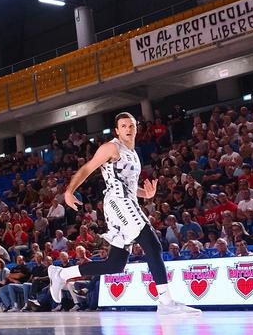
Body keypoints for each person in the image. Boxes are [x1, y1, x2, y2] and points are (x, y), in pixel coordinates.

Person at [50, 112, 199, 315]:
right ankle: (165, 302)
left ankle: (61, 274)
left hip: (128, 200)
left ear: (136, 128)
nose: (128, 129)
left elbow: (127, 184)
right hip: (117, 202)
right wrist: (69, 191)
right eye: (123, 126)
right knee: (152, 244)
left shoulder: (134, 153)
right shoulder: (111, 147)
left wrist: (144, 193)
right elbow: (87, 168)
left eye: (131, 125)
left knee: (115, 264)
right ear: (117, 130)